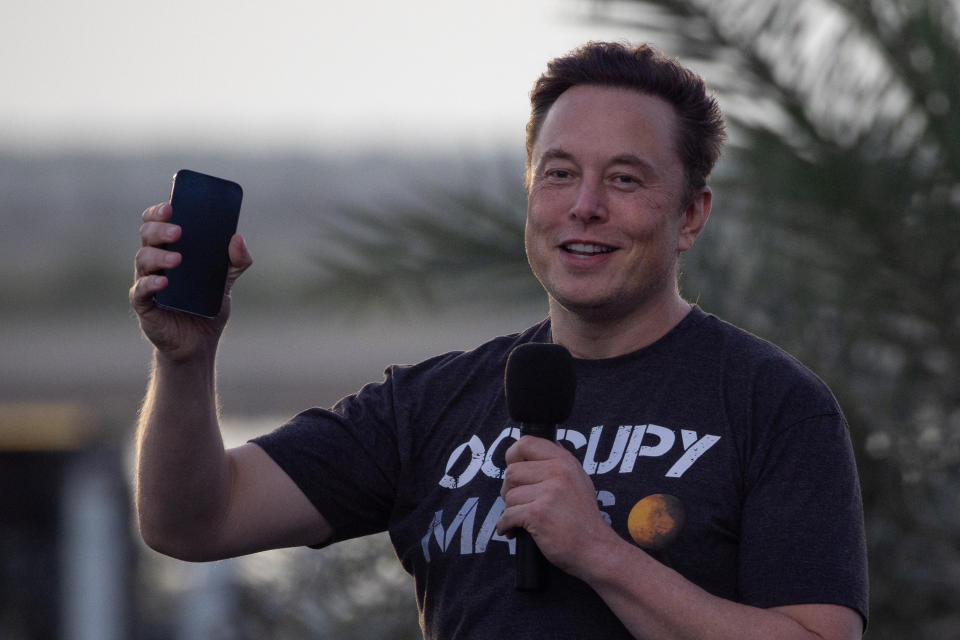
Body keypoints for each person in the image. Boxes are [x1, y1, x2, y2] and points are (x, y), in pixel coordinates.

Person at [131, 42, 868, 638]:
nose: (584, 207)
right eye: (560, 174)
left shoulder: (773, 405)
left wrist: (600, 553)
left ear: (691, 216)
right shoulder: (429, 406)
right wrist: (185, 360)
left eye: (625, 179)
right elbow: (191, 519)